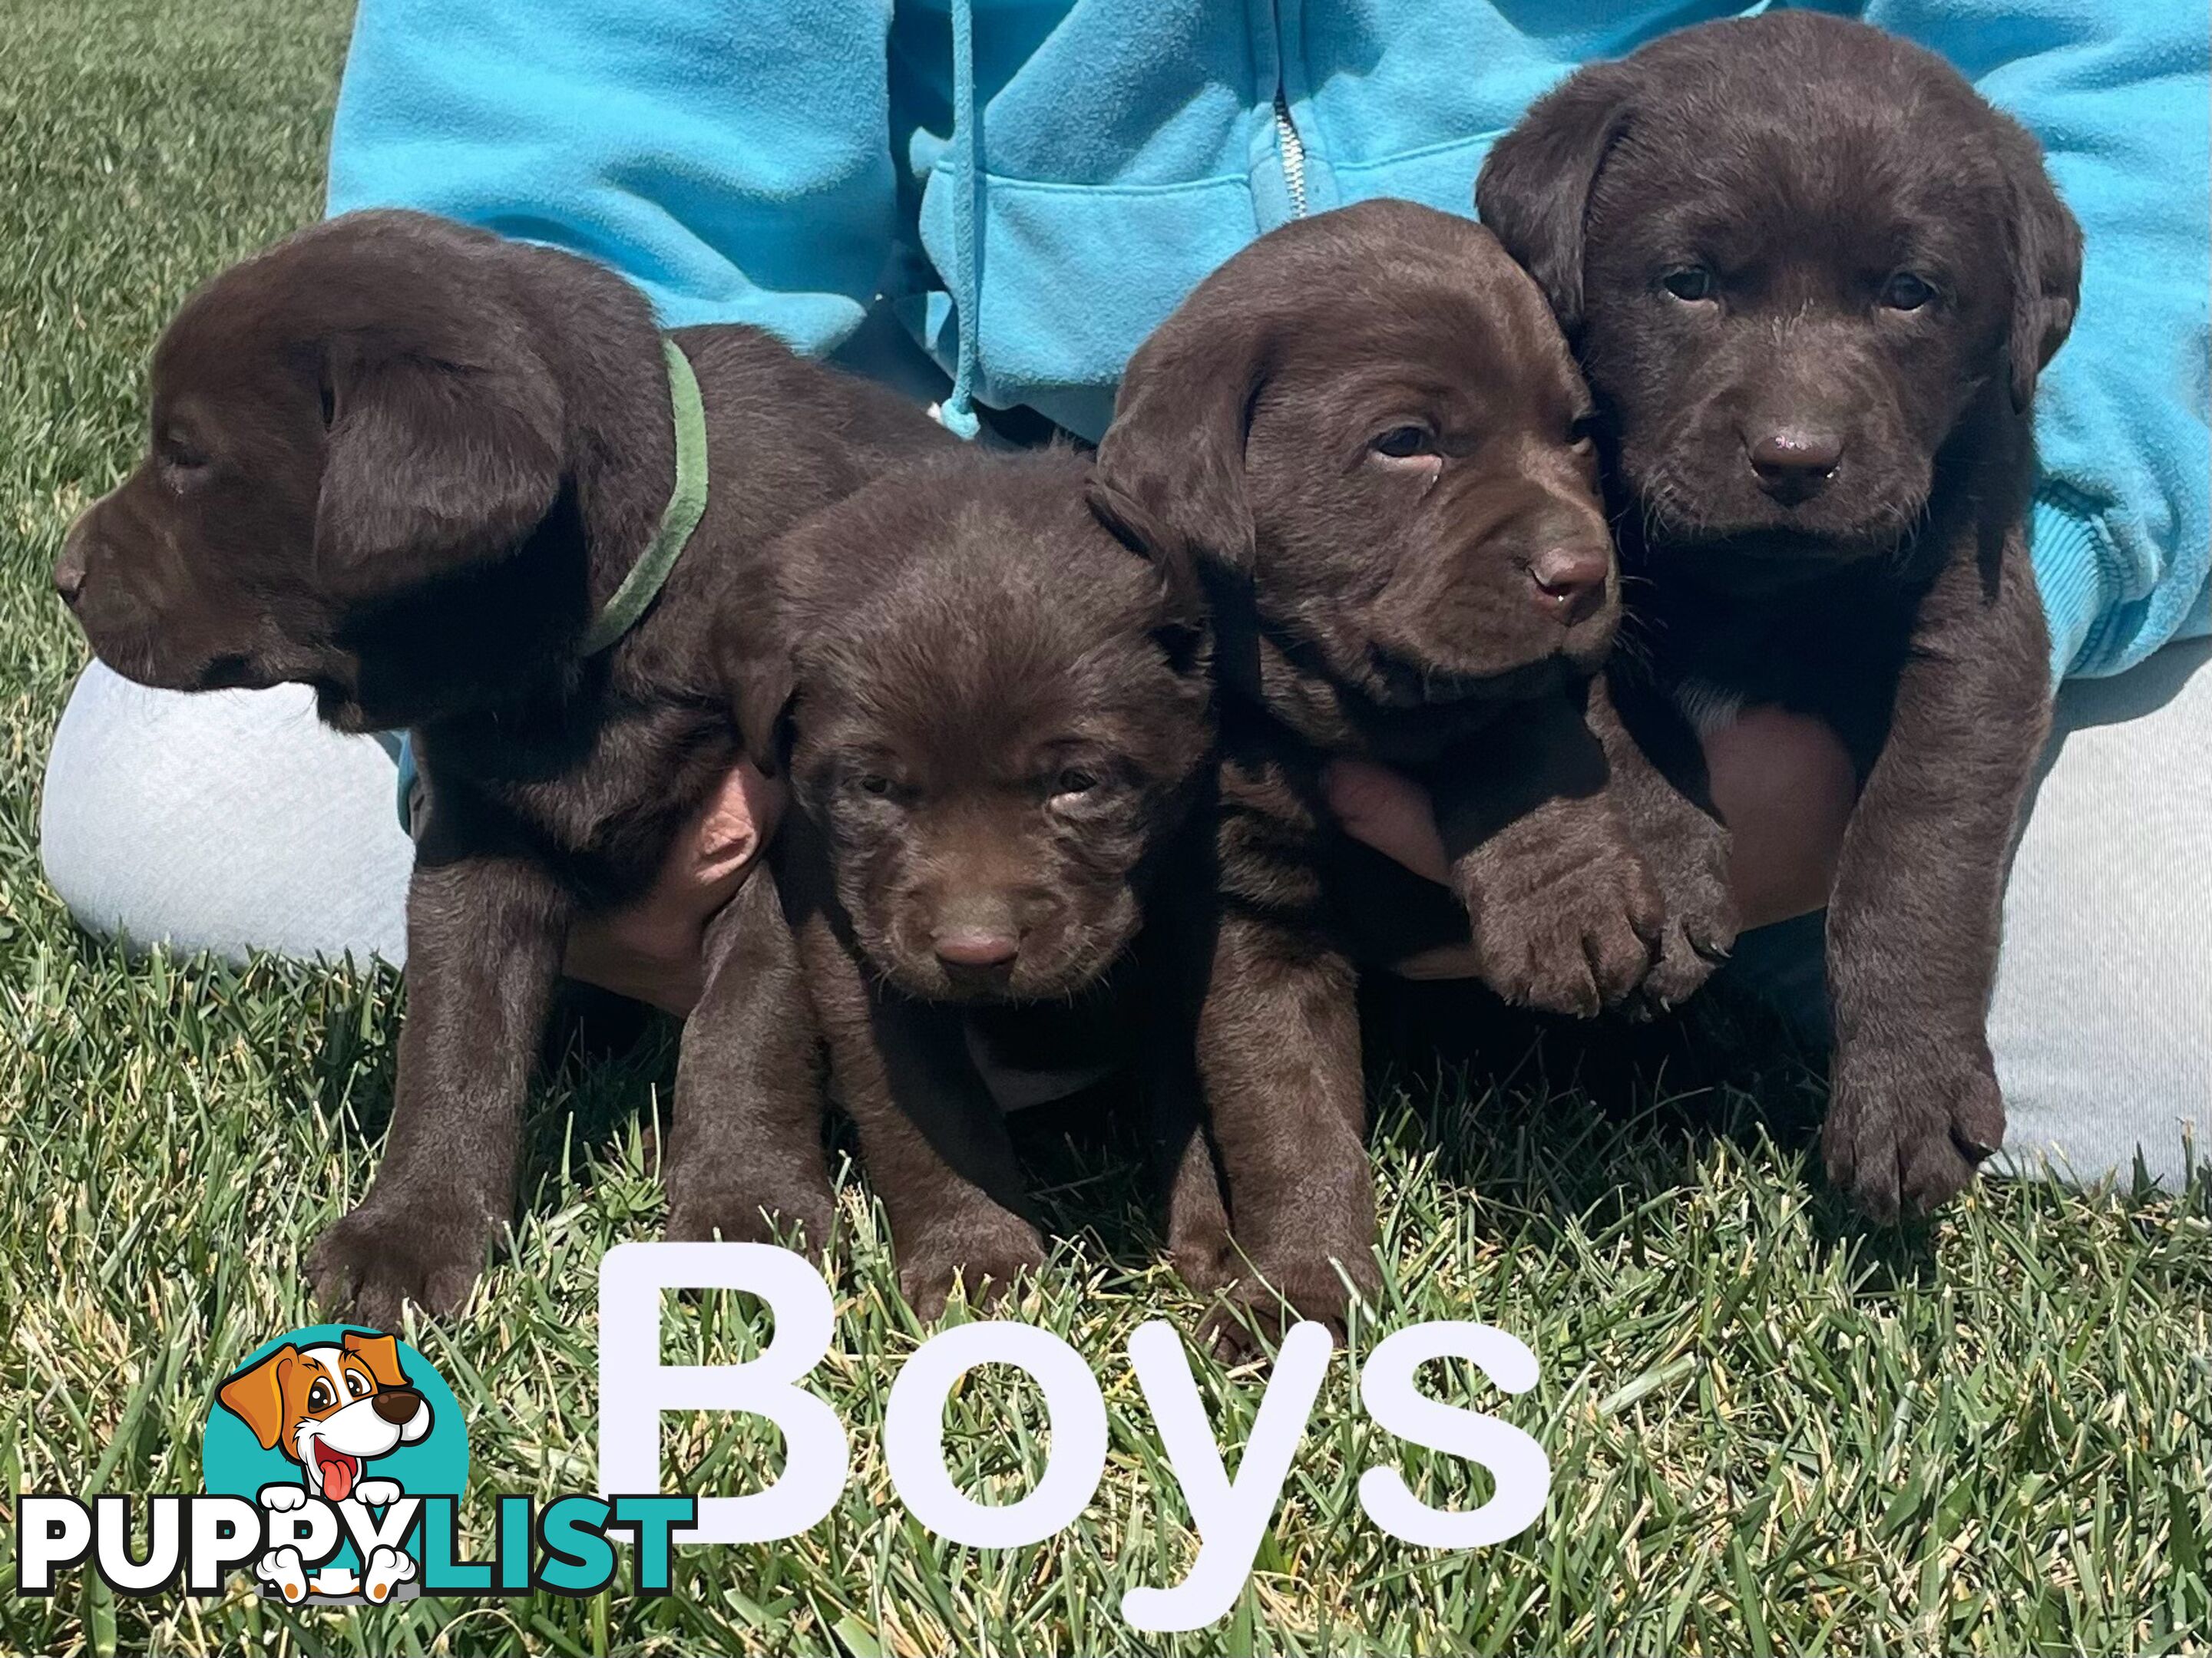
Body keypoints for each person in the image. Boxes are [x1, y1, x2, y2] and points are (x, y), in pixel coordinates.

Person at [41, 1, 2209, 1186]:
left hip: (1704, 551)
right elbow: (549, 251)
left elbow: (2122, 109)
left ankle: (1496, 955)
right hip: (1022, 546)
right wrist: (677, 712)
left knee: (2175, 1032)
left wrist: (1881, 725)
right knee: (174, 804)